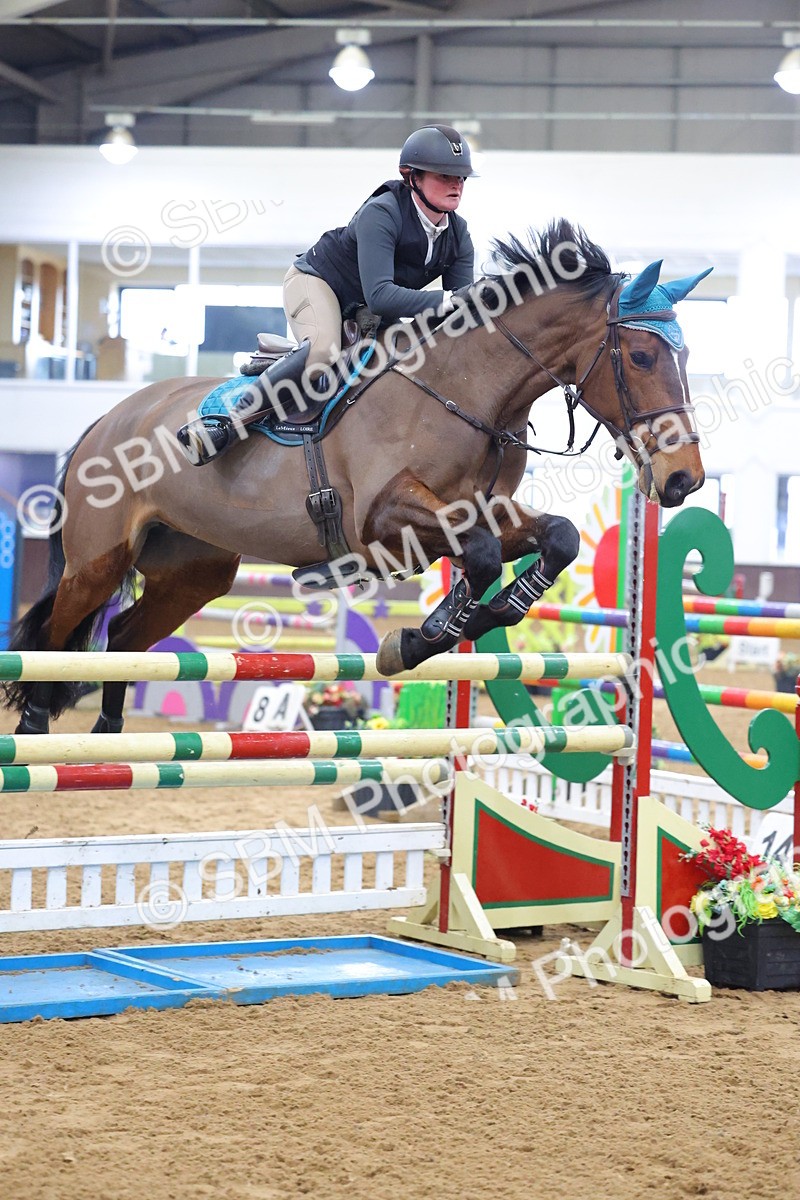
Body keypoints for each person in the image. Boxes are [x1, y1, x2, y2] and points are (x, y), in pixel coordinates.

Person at [178, 124, 476, 464]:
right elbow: (384, 296)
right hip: (318, 283)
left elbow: (457, 313)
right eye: (444, 176)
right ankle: (225, 426)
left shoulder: (459, 234)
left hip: (368, 309)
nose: (456, 185)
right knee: (322, 351)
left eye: (462, 178)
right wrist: (452, 299)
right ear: (412, 178)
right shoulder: (382, 213)